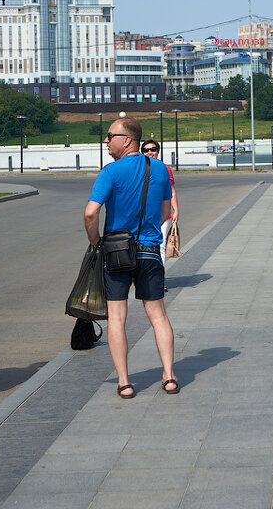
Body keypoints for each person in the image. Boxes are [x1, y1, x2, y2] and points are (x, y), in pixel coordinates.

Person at [84, 118, 177, 399]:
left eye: (110, 135)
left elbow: (91, 213)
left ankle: (124, 382)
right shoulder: (159, 169)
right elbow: (164, 213)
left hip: (116, 252)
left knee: (117, 317)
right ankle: (170, 376)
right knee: (158, 315)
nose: (106, 140)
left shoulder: (110, 172)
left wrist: (95, 241)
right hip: (149, 251)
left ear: (126, 139)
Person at [140, 139, 179, 260]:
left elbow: (171, 191)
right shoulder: (139, 169)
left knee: (160, 246)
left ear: (158, 151)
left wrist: (176, 210)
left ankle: (160, 277)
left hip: (163, 214)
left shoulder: (165, 168)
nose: (150, 152)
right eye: (146, 150)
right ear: (142, 152)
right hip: (143, 215)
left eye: (153, 149)